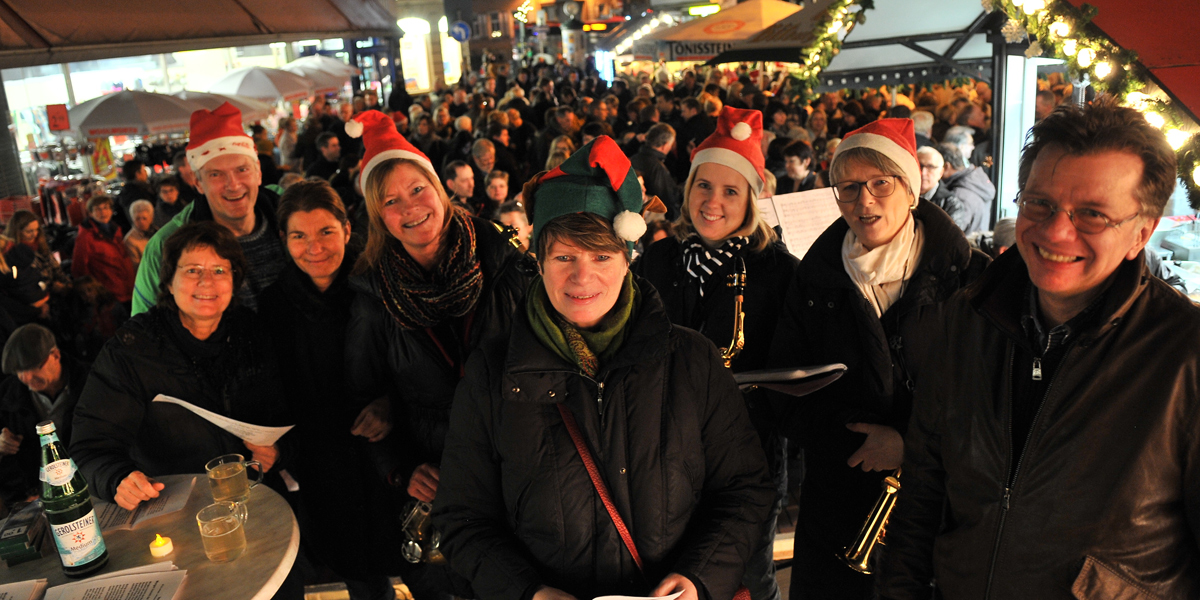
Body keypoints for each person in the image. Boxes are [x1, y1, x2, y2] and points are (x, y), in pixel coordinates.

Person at [878, 98, 1200, 599]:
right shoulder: (967, 318)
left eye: (1091, 214)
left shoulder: (1187, 355)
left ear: (1142, 232)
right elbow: (924, 489)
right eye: (1039, 204)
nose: (1055, 231)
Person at [433, 134, 772, 600]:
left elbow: (745, 490)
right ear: (538, 260)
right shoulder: (494, 374)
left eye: (602, 256)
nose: (582, 277)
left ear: (629, 258)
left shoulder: (691, 360)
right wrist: (529, 592)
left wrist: (698, 578)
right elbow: (461, 519)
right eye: (564, 257)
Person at [769, 118, 988, 600]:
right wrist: (855, 441)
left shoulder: (969, 279)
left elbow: (991, 397)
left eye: (880, 183)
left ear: (911, 190)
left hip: (943, 503)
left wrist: (909, 443)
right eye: (848, 188)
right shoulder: (814, 278)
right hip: (839, 495)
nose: (863, 200)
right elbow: (785, 389)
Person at [343, 110, 533, 599]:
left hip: (516, 470)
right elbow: (363, 408)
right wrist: (402, 471)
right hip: (439, 482)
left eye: (417, 189)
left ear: (439, 188)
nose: (409, 208)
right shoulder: (373, 296)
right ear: (377, 215)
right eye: (390, 200)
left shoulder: (503, 262)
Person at [634, 106, 798, 600]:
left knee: (749, 576)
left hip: (747, 456)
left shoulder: (777, 269)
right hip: (666, 453)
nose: (713, 202)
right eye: (704, 186)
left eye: (731, 191)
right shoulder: (660, 260)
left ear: (752, 197)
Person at [70, 222, 289, 510]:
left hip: (255, 497)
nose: (206, 281)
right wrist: (117, 478)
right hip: (175, 507)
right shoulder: (133, 349)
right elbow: (90, 448)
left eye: (219, 270)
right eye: (192, 270)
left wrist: (278, 450)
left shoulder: (253, 332)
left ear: (235, 281)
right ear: (169, 282)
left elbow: (283, 410)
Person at [258, 180, 398, 600]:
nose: (313, 247)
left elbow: (417, 366)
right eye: (299, 236)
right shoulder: (273, 305)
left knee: (422, 566)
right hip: (324, 466)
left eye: (325, 232)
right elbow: (273, 390)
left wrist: (392, 405)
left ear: (347, 230)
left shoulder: (378, 287)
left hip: (390, 457)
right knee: (361, 580)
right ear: (283, 240)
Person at [132, 102, 289, 314]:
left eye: (242, 169)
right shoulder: (164, 246)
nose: (233, 185)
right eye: (216, 174)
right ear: (197, 182)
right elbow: (143, 334)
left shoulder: (293, 217)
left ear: (258, 172)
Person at [0, 324, 88, 509]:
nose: (27, 377)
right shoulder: (7, 397)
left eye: (34, 367)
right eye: (19, 371)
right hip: (37, 500)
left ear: (55, 355)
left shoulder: (91, 383)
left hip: (89, 487)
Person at [72, 195, 136, 305]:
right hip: (108, 295)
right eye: (98, 209)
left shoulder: (116, 230)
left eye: (106, 208)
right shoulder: (86, 237)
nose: (103, 212)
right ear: (91, 213)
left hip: (127, 290)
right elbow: (79, 268)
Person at [3, 210, 70, 296]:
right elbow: (22, 282)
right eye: (29, 231)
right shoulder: (13, 253)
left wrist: (67, 283)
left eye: (36, 230)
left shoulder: (40, 244)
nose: (34, 234)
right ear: (17, 232)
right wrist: (51, 286)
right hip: (37, 297)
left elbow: (56, 268)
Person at [938, 142, 994, 234]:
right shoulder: (976, 180)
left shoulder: (960, 195)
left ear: (946, 166)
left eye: (933, 166)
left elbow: (952, 235)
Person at [630, 123, 681, 219]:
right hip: (655, 219)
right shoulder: (658, 168)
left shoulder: (634, 158)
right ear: (665, 145)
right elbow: (668, 200)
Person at [915, 147, 969, 231]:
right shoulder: (902, 195)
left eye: (930, 167)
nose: (923, 172)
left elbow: (950, 240)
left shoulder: (952, 204)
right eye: (919, 165)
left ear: (941, 172)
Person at [124, 200, 157, 267]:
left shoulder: (156, 232)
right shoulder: (130, 240)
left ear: (151, 218)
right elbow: (136, 266)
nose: (141, 222)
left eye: (144, 218)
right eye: (137, 219)